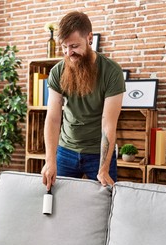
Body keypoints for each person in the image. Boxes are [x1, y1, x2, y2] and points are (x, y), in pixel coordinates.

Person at [41, 11, 125, 191]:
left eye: (74, 46)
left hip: (98, 153)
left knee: (105, 204)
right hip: (65, 151)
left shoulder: (111, 72)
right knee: (59, 204)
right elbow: (53, 119)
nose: (69, 52)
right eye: (64, 47)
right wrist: (50, 160)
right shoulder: (57, 71)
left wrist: (103, 169)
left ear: (89, 38)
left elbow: (108, 124)